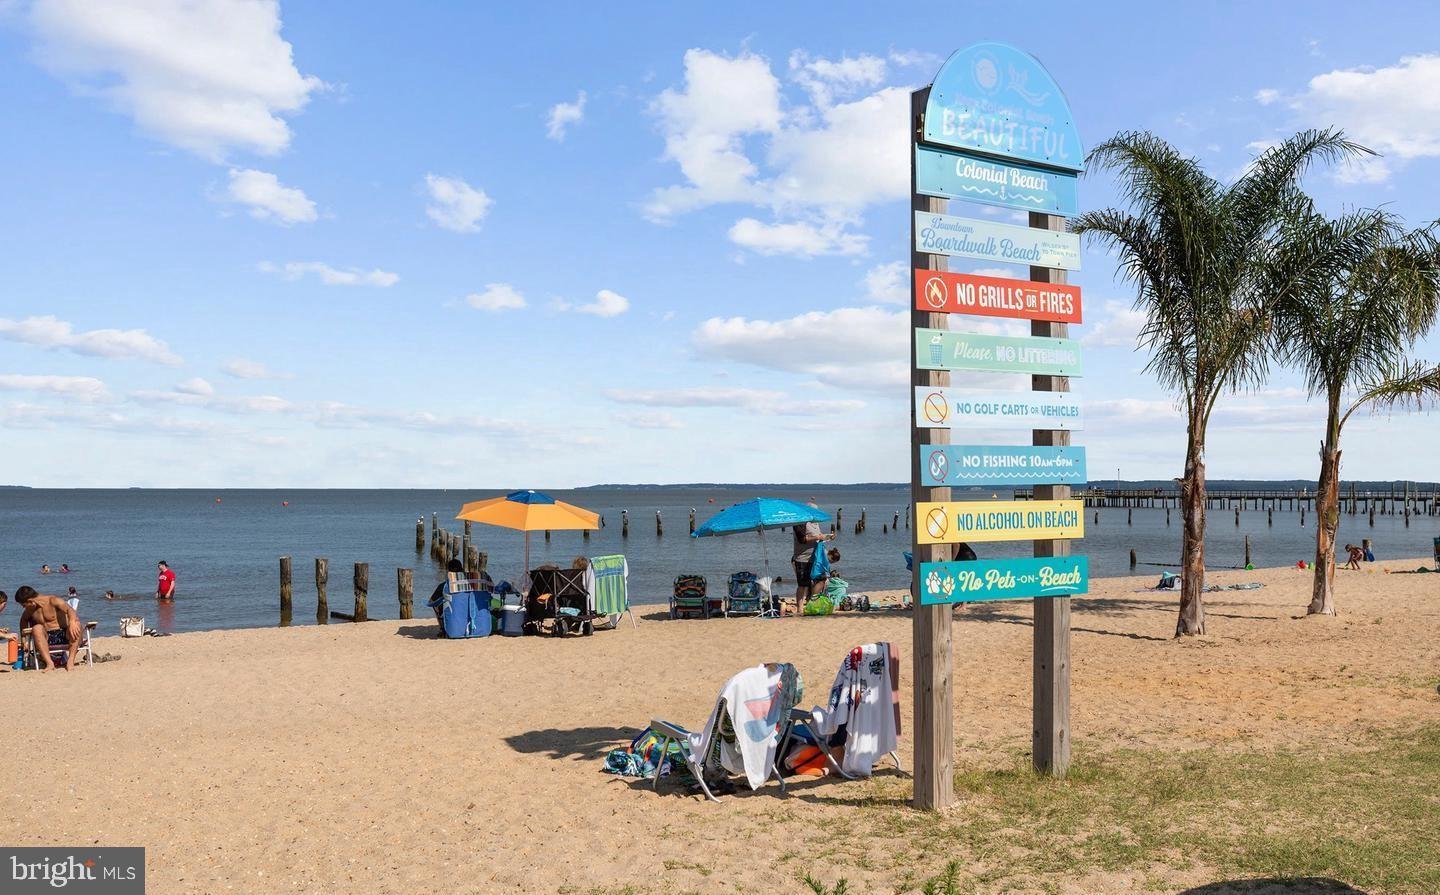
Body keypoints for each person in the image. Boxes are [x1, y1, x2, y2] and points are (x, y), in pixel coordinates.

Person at [15, 585, 83, 671]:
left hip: (64, 634)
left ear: (30, 601)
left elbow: (70, 610)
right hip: (46, 638)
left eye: (24, 605)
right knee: (36, 628)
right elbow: (23, 620)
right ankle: (50, 663)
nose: (23, 607)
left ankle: (70, 661)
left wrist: (72, 622)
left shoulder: (53, 600)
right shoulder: (30, 609)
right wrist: (24, 639)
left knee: (77, 624)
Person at [791, 514, 835, 615]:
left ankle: (812, 602)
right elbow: (802, 539)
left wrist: (827, 537)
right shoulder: (800, 522)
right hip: (802, 558)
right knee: (803, 584)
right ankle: (800, 609)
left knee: (821, 579)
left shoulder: (815, 523)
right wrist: (818, 536)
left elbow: (818, 538)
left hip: (815, 558)